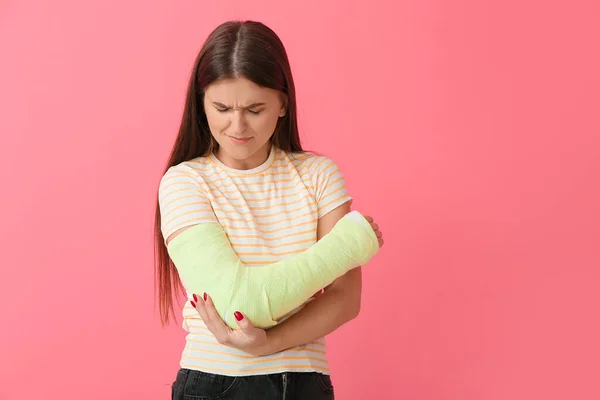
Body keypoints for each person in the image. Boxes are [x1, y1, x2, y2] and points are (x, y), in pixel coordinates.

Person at [154, 20, 384, 400]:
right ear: (201, 104)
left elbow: (345, 299)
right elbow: (237, 304)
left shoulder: (318, 175)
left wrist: (266, 344)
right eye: (222, 108)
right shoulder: (184, 182)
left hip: (305, 384)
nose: (237, 125)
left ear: (282, 103)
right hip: (214, 383)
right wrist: (348, 244)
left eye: (255, 108)